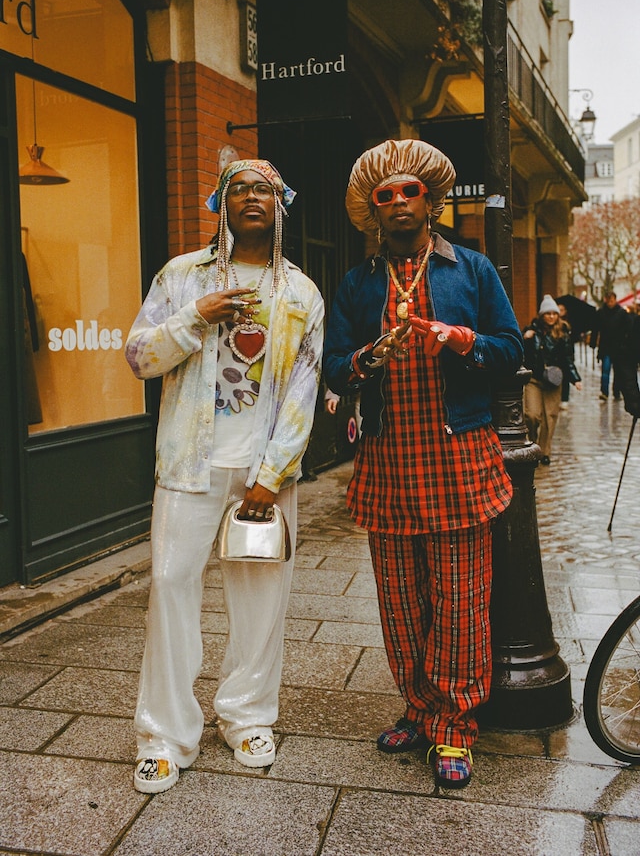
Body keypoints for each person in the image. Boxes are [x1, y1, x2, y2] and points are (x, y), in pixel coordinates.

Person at [323, 139, 523, 789]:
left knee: (462, 603)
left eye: (411, 192)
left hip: (459, 459)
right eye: (387, 195)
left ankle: (455, 725)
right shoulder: (357, 284)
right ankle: (417, 706)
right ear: (372, 211)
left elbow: (510, 346)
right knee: (401, 604)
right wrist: (362, 362)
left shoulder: (472, 269)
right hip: (387, 462)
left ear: (431, 201)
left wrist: (468, 343)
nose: (400, 202)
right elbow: (332, 363)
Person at [125, 158, 324, 793]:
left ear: (281, 204)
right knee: (169, 586)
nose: (250, 198)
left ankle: (247, 716)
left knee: (261, 598)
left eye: (263, 189)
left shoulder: (300, 292)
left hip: (265, 474)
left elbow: (304, 388)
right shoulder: (181, 277)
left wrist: (273, 474)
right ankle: (165, 733)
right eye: (237, 189)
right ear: (220, 202)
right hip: (189, 463)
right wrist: (195, 317)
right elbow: (138, 357)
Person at [522, 295, 582, 465]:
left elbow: (568, 359)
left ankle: (544, 452)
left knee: (550, 417)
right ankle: (532, 444)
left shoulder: (563, 333)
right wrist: (524, 337)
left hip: (553, 381)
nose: (551, 317)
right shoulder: (531, 330)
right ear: (542, 315)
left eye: (554, 313)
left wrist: (575, 379)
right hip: (534, 378)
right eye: (547, 313)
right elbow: (518, 348)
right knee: (532, 416)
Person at [591, 291, 624, 401]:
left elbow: (627, 330)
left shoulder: (621, 313)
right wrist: (593, 342)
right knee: (605, 371)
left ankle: (617, 391)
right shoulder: (600, 313)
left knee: (618, 372)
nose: (610, 303)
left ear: (615, 300)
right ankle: (604, 392)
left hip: (619, 347)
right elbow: (595, 329)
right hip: (605, 347)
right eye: (608, 300)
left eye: (612, 300)